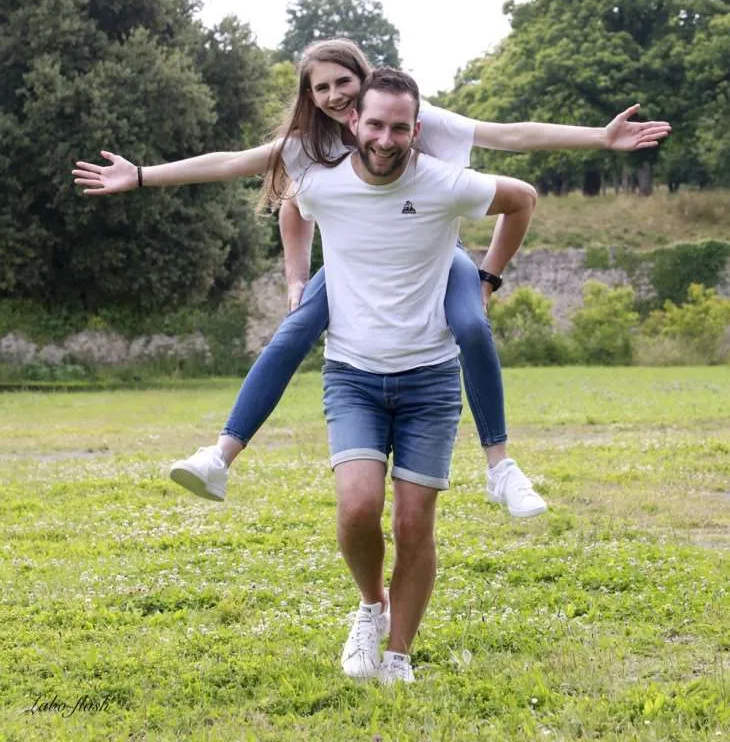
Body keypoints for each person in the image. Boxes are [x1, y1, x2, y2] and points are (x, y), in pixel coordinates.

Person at [72, 39, 671, 519]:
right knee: (292, 332)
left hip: (433, 257)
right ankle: (219, 457)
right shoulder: (307, 148)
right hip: (355, 268)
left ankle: (501, 467)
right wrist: (291, 274)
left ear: (365, 83)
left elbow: (509, 136)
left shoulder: (407, 117)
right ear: (310, 95)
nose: (335, 95)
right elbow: (252, 178)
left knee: (470, 324)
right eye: (321, 87)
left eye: (343, 82)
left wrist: (599, 138)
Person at [291, 66, 535, 682]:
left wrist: (485, 279)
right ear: (354, 121)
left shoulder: (442, 181)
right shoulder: (326, 182)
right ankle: (370, 609)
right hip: (353, 374)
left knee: (411, 522)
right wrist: (297, 278)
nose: (385, 137)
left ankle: (398, 655)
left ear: (416, 129)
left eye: (400, 128)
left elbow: (522, 197)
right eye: (374, 124)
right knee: (356, 508)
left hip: (429, 379)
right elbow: (289, 204)